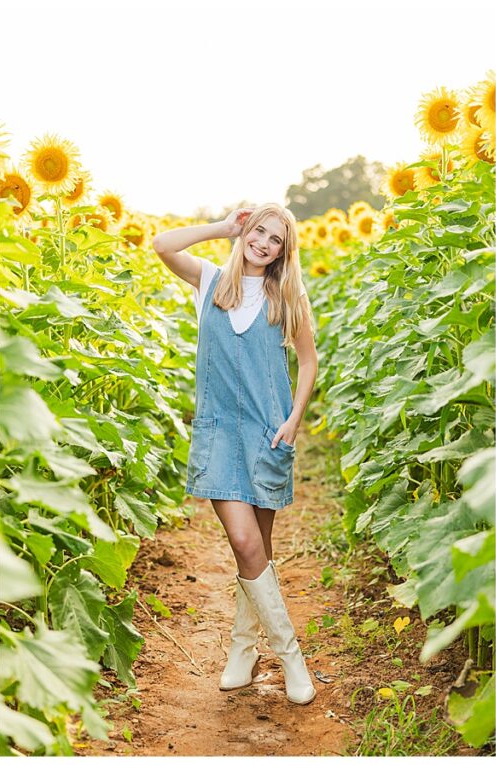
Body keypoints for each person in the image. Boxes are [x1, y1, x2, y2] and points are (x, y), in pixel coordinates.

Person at [153, 203, 318, 705]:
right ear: (245, 231)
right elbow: (163, 243)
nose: (263, 243)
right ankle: (291, 657)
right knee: (245, 543)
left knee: (259, 551)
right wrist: (223, 227)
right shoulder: (209, 282)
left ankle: (242, 650)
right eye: (258, 231)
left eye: (275, 240)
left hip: (269, 434)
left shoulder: (286, 294)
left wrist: (293, 419)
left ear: (283, 253)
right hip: (220, 434)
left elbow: (309, 360)